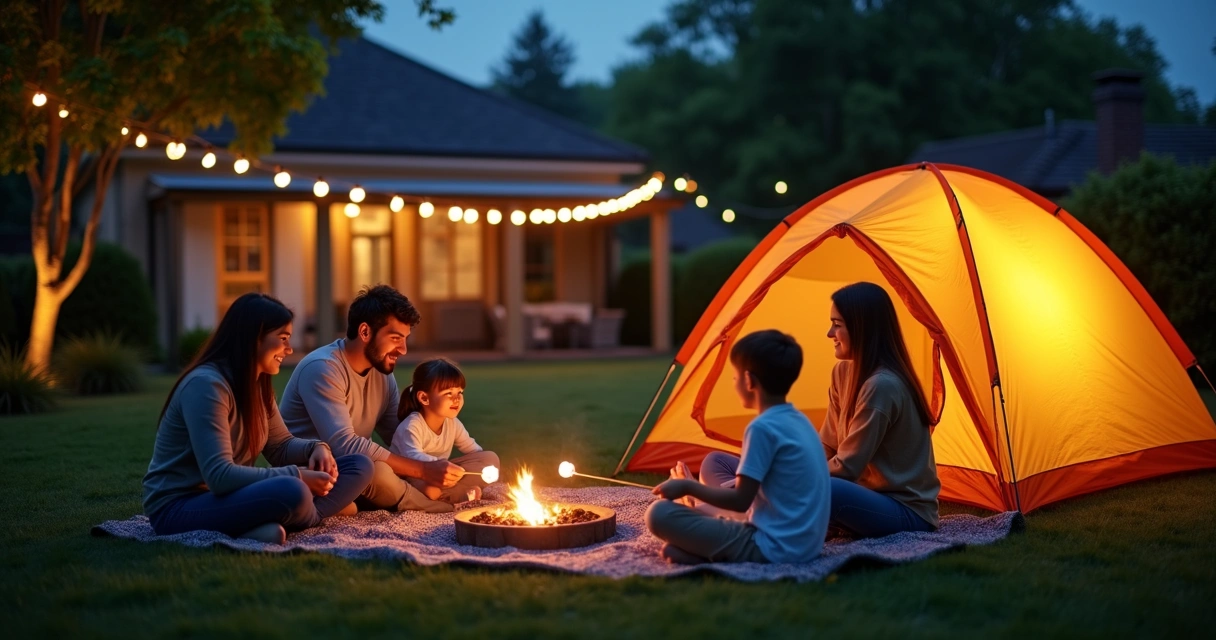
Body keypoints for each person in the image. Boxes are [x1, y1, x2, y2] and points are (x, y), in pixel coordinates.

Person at [143, 293, 374, 545]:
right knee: (292, 490)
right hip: (179, 506)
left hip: (234, 496)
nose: (289, 349)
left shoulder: (258, 386)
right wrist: (297, 476)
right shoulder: (206, 387)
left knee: (360, 466)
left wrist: (316, 447)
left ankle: (287, 518)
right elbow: (219, 477)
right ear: (254, 338)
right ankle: (308, 514)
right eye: (283, 339)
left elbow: (281, 446)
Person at [646, 330, 830, 565]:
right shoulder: (799, 419)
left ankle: (711, 552)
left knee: (658, 514)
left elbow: (741, 500)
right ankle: (702, 549)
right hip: (806, 544)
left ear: (749, 381)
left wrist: (688, 487)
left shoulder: (762, 428)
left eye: (734, 376)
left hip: (776, 547)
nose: (733, 382)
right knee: (714, 464)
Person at [280, 285, 463, 514]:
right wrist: (424, 471)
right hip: (319, 473)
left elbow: (399, 433)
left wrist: (438, 454)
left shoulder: (382, 374)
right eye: (396, 338)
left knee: (485, 460)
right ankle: (434, 506)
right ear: (365, 332)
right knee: (376, 471)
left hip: (357, 469)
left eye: (405, 339)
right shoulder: (323, 368)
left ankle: (434, 492)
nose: (404, 349)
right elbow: (346, 445)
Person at [819, 281, 941, 538]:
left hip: (904, 511)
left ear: (862, 329)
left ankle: (755, 515)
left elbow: (847, 467)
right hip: (859, 497)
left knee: (823, 489)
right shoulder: (842, 373)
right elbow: (827, 445)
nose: (830, 333)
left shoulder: (882, 385)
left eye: (837, 325)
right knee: (719, 464)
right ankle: (763, 510)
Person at [390, 358, 500, 502]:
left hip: (442, 475)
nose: (456, 399)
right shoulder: (412, 425)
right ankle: (458, 495)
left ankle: (455, 494)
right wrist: (442, 466)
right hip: (414, 475)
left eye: (460, 392)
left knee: (490, 458)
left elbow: (473, 450)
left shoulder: (453, 423)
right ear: (424, 398)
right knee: (431, 491)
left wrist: (485, 467)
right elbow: (412, 457)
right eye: (448, 393)